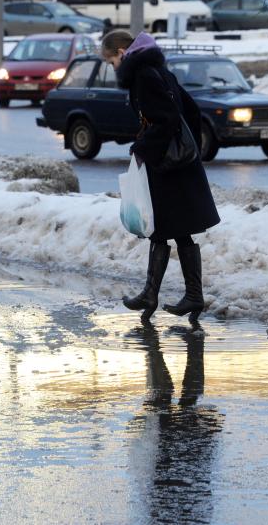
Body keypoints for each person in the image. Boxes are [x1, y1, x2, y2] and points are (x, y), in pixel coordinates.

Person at [101, 30, 220, 322]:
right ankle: (170, 294)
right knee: (171, 229)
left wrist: (144, 147)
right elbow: (189, 109)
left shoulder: (143, 75)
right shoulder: (158, 71)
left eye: (110, 61)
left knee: (165, 228)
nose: (112, 67)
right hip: (175, 164)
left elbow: (166, 118)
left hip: (167, 166)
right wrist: (186, 149)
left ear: (120, 52)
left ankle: (166, 294)